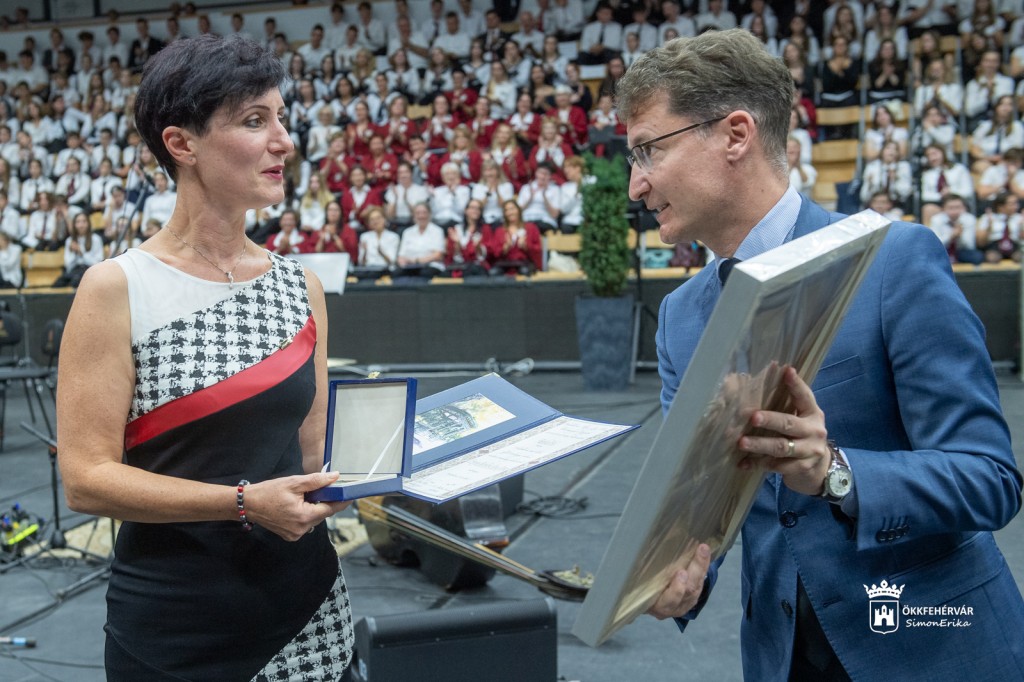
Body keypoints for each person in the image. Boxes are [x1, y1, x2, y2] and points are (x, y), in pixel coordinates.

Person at [617, 28, 1024, 681]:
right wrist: (679, 571)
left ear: (736, 134)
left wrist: (835, 472)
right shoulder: (679, 320)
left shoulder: (895, 260)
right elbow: (700, 505)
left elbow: (989, 479)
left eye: (648, 150)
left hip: (933, 649)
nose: (635, 186)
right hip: (780, 659)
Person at [56, 35, 354, 680]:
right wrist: (243, 502)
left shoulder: (299, 285)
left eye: (281, 117)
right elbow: (85, 478)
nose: (284, 141)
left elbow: (314, 459)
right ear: (181, 144)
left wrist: (411, 461)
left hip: (309, 616)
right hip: (175, 629)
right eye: (254, 121)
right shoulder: (116, 287)